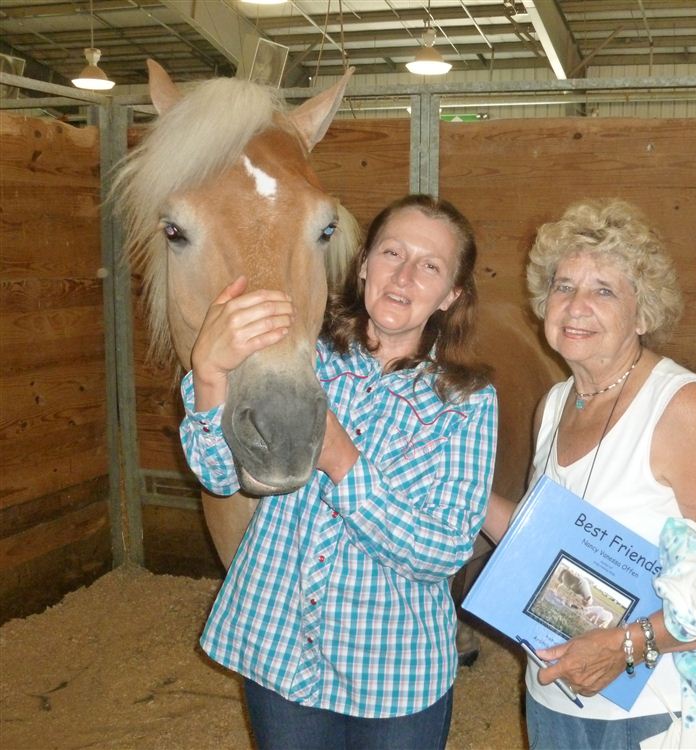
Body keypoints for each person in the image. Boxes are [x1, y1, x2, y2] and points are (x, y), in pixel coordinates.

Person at [179, 194, 498, 750]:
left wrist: (343, 463)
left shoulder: (467, 403)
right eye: (392, 252)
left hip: (394, 677)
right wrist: (208, 373)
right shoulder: (298, 357)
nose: (403, 276)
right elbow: (219, 475)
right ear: (363, 264)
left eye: (430, 266)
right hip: (279, 654)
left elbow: (445, 550)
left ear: (452, 294)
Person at [482, 198, 696, 749]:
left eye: (604, 291)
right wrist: (465, 489)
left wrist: (626, 644)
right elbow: (540, 547)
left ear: (643, 315)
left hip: (654, 713)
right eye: (563, 286)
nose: (575, 306)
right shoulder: (555, 403)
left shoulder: (677, 405)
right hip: (553, 694)